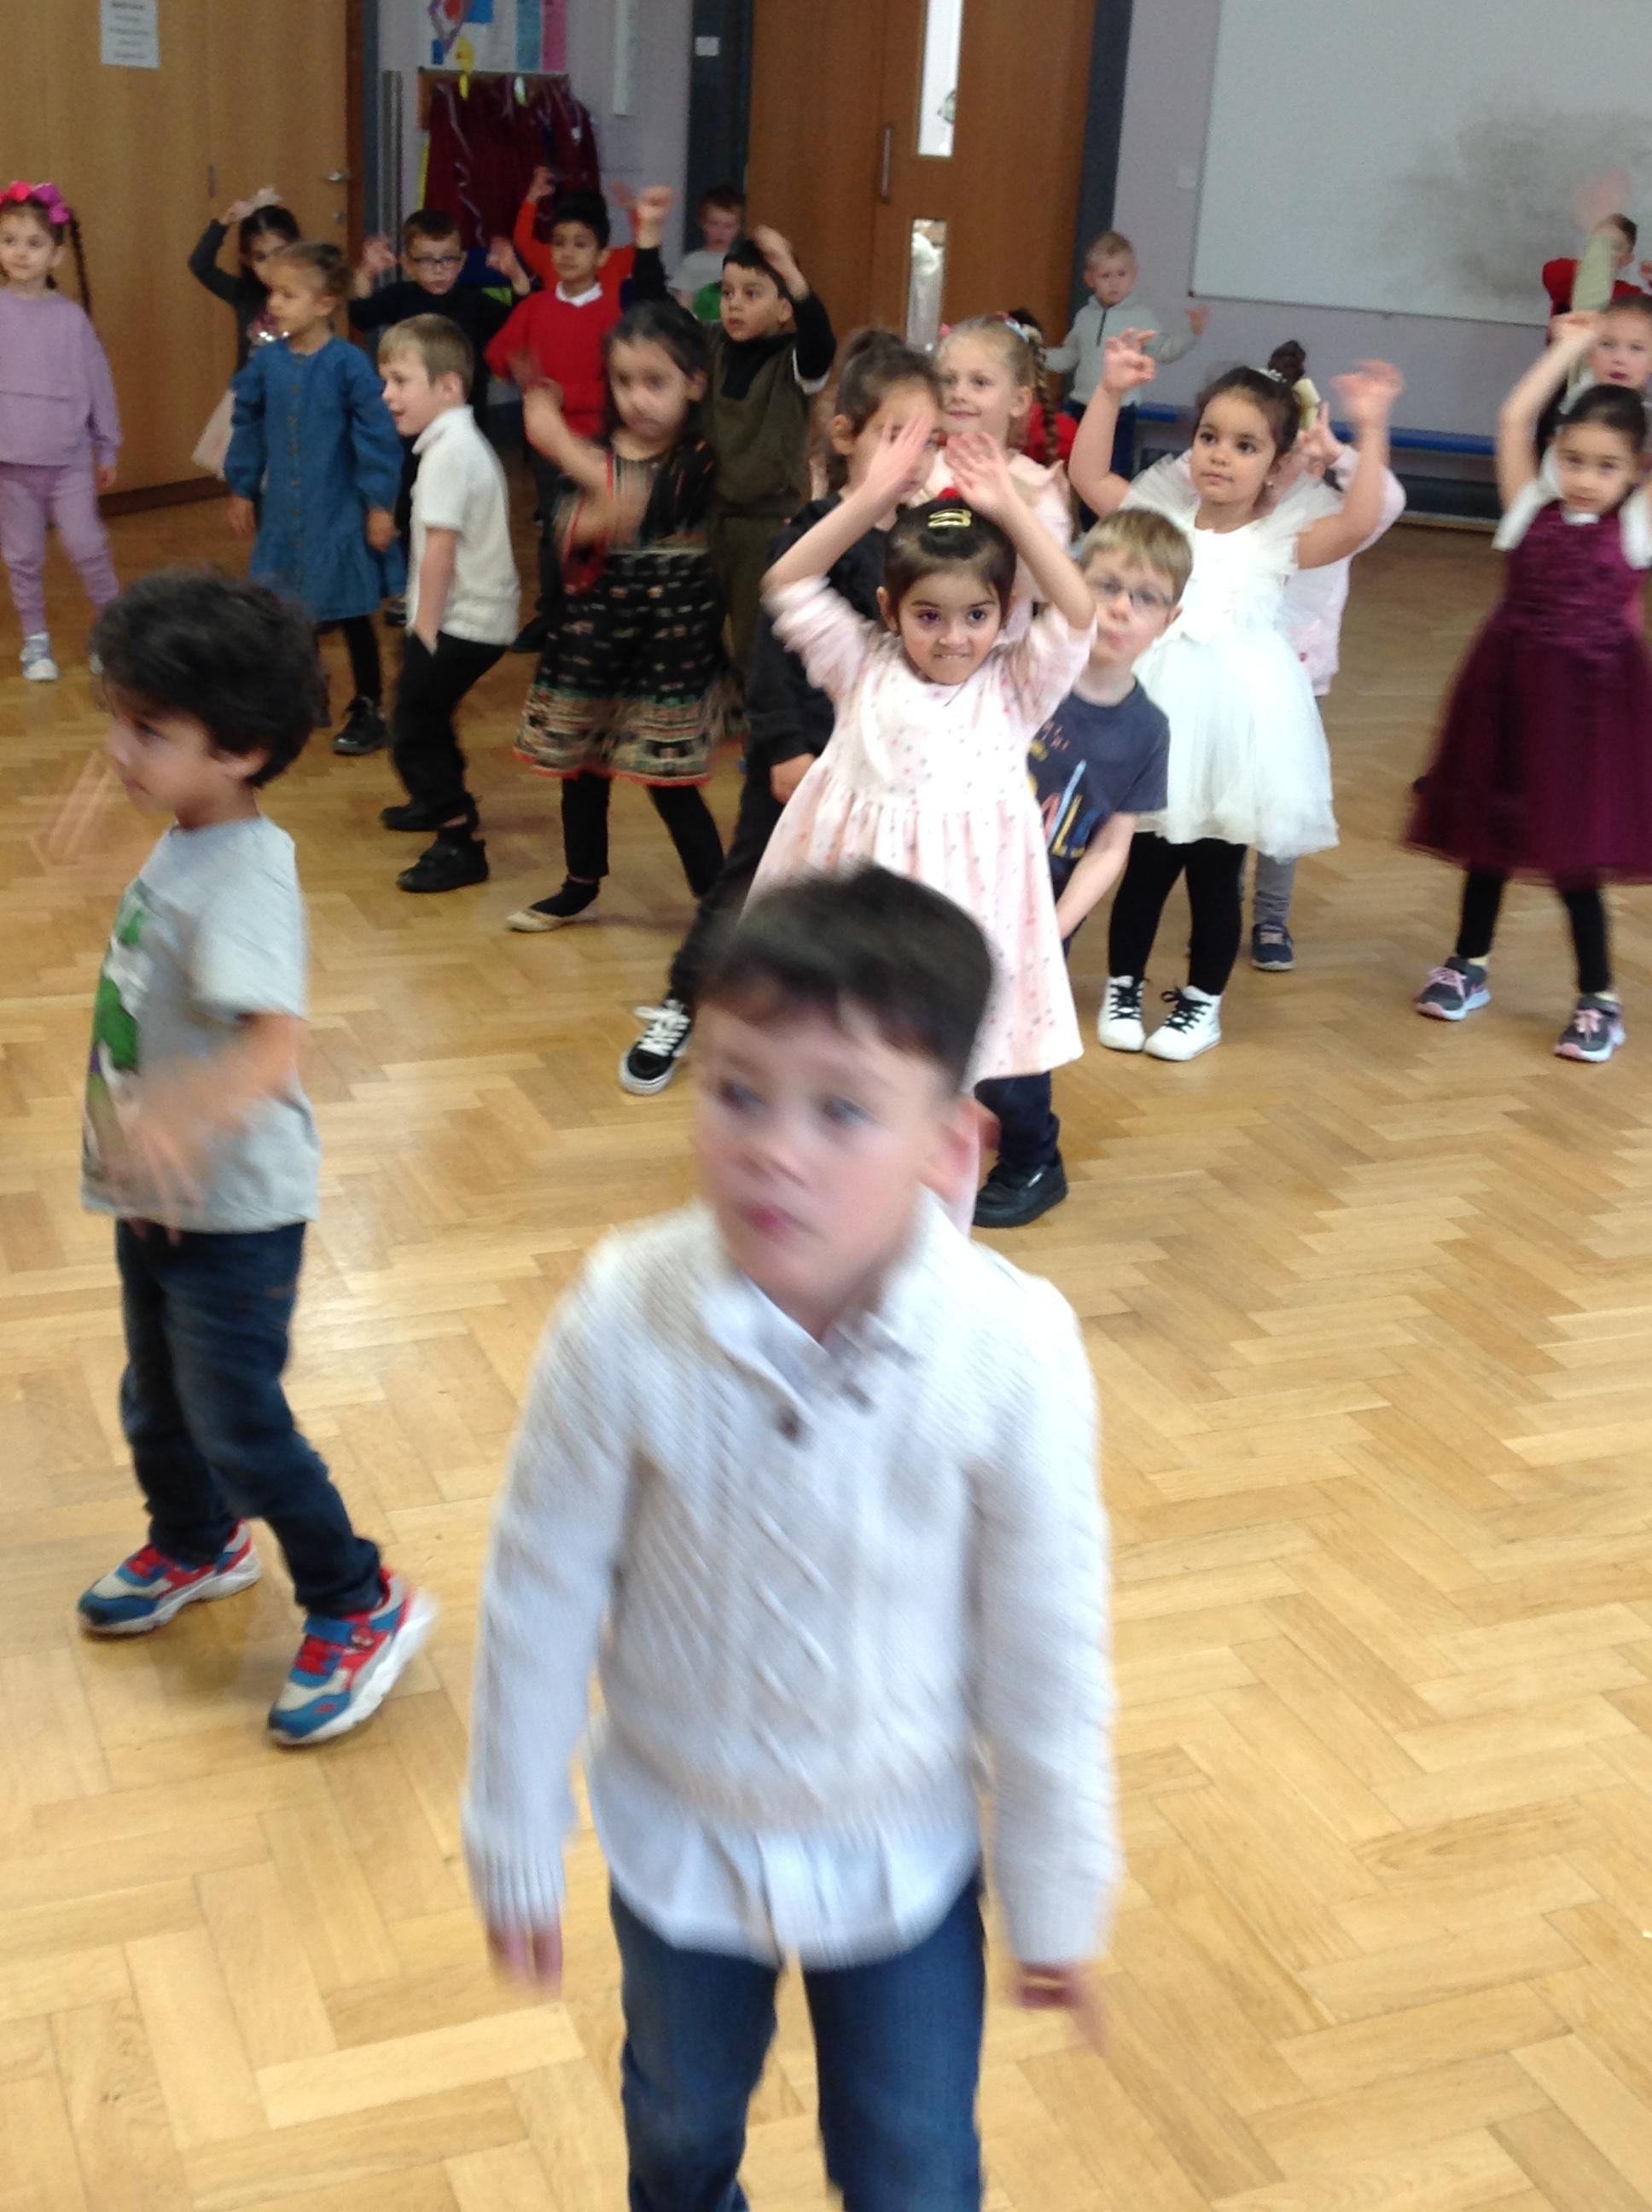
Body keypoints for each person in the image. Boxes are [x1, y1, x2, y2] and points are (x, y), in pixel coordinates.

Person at [464, 866, 1116, 2209]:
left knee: (913, 2165)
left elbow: (1049, 1647)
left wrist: (1056, 1887)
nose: (774, 1147)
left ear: (950, 1148)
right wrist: (514, 1828)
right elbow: (541, 1586)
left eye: (843, 1110)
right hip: (679, 1845)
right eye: (737, 1090)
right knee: (679, 2129)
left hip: (904, 1861)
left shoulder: (1011, 1352)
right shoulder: (621, 1314)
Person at [75, 571, 433, 1745]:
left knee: (238, 1423)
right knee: (156, 1400)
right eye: (118, 719)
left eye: (147, 731)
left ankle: (358, 1598)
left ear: (239, 751)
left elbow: (277, 1049)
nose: (118, 750)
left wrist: (179, 1121)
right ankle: (198, 1542)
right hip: (164, 1196)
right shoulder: (193, 834)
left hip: (232, 1214)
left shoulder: (242, 877)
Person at [619, 330, 943, 1096]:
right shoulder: (807, 537)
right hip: (798, 761)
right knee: (748, 890)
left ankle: (840, 1034)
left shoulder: (928, 542)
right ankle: (682, 1003)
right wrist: (786, 747)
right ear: (847, 436)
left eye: (929, 442)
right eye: (895, 436)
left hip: (882, 771)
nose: (912, 458)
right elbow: (769, 660)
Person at [1070, 333, 1403, 1061]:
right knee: (1142, 866)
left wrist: (1371, 427)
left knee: (1216, 877)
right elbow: (1090, 476)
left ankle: (1202, 1004)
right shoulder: (1160, 520)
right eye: (1209, 437)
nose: (1220, 455)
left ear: (1279, 464)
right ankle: (1124, 985)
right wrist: (1110, 390)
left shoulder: (1281, 536)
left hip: (1237, 728)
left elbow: (1358, 522)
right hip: (1156, 721)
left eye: (1246, 446)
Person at [751, 419, 1096, 1091]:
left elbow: (1079, 611)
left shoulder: (1016, 684)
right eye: (928, 615)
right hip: (863, 917)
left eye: (977, 616)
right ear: (890, 609)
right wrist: (869, 498)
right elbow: (786, 581)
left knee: (947, 1072)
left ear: (1006, 610)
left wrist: (1010, 508)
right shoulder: (859, 663)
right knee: (855, 1055)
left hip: (960, 925)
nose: (953, 639)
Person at [1408, 314, 1652, 1062]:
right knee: (1489, 835)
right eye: (1573, 459)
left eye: (1606, 466)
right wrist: (1571, 349)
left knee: (1574, 853)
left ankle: (1598, 998)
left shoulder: (1637, 524)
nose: (1585, 476)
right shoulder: (1527, 505)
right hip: (1507, 694)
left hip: (1588, 710)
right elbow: (1515, 418)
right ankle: (1468, 963)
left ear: (1636, 471)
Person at [974, 511, 1185, 1231]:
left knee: (1014, 1044)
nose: (1121, 608)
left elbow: (1112, 846)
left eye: (1145, 598)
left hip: (1041, 908)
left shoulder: (1148, 730)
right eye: (1106, 586)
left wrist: (1054, 929)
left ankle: (1034, 1158)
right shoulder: (1021, 672)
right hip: (962, 877)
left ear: (1169, 621)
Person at [507, 281, 729, 931]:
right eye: (624, 382)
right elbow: (575, 531)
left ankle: (719, 907)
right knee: (582, 770)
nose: (637, 398)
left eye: (655, 382)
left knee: (671, 784)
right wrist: (581, 482)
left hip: (667, 652)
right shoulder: (600, 457)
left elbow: (633, 508)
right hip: (592, 647)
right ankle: (580, 884)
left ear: (694, 383)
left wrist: (558, 442)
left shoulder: (698, 459)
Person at [1248, 346, 1407, 973]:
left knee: (1284, 802)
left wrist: (1343, 449)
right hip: (1232, 675)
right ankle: (1221, 903)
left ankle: (1271, 918)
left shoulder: (1336, 509)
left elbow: (1386, 500)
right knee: (1228, 796)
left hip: (1299, 679)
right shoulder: (1241, 501)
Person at [224, 242, 404, 758]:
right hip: (285, 514)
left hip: (339, 514)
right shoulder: (267, 364)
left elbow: (376, 438)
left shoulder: (349, 365)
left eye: (288, 294)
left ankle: (368, 707)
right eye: (273, 293)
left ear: (325, 303)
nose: (274, 303)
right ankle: (308, 696)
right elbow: (247, 425)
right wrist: (241, 486)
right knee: (290, 607)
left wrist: (379, 505)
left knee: (352, 611)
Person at [377, 314, 520, 894]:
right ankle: (437, 801)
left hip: (461, 623)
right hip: (477, 618)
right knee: (428, 716)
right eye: (385, 381)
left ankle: (458, 840)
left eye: (400, 381)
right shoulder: (457, 441)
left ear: (448, 387)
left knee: (411, 726)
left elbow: (440, 547)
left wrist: (424, 632)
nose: (388, 395)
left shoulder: (447, 454)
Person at [487, 187, 652, 656]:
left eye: (580, 244)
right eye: (559, 242)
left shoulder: (613, 313)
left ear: (601, 255)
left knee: (603, 530)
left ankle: (601, 616)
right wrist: (517, 368)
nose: (567, 253)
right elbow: (498, 353)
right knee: (556, 528)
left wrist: (566, 394)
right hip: (548, 444)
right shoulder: (535, 306)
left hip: (599, 440)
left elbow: (621, 385)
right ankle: (554, 614)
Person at [350, 208, 530, 602]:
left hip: (465, 427)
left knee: (459, 502)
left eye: (448, 259)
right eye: (427, 260)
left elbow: (522, 318)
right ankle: (408, 585)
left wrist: (515, 275)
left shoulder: (474, 302)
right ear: (407, 263)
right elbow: (360, 313)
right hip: (409, 431)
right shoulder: (401, 298)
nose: (438, 270)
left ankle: (455, 580)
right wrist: (365, 272)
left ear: (462, 261)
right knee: (411, 500)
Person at [0, 180, 119, 684]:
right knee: (23, 556)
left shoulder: (71, 320)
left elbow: (98, 384)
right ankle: (35, 640)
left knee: (88, 546)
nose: (19, 252)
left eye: (34, 243)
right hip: (11, 464)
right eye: (9, 240)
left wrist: (107, 446)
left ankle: (114, 635)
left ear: (56, 255)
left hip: (68, 462)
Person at [705, 227, 837, 673]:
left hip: (765, 523)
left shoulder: (794, 363)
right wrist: (648, 241)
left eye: (752, 293)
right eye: (727, 293)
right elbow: (662, 331)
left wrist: (794, 278)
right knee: (699, 629)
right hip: (708, 515)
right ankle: (717, 702)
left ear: (784, 309)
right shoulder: (711, 345)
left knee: (754, 637)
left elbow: (820, 341)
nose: (734, 304)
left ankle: (759, 710)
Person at [924, 317, 1073, 614]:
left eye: (979, 382)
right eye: (948, 380)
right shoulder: (920, 469)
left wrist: (1012, 511)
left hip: (1002, 639)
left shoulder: (1036, 484)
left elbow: (1045, 587)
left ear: (1018, 401)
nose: (959, 394)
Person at [1044, 229, 1210, 477]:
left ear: (1133, 276)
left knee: (1113, 470)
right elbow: (1069, 356)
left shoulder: (1142, 316)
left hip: (1120, 411)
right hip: (1081, 407)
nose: (1114, 282)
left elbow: (1164, 351)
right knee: (1072, 466)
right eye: (1105, 275)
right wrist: (1035, 356)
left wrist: (1192, 333)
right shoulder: (1084, 316)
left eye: (1121, 274)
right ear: (1090, 279)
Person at [187, 187, 300, 369]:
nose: (272, 265)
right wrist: (225, 222)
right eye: (261, 258)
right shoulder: (244, 295)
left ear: (297, 249)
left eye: (280, 253)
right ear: (248, 261)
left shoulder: (311, 295)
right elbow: (200, 264)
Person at [1541, 212, 1647, 317]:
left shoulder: (1630, 295)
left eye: (1612, 247)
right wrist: (1589, 266)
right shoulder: (1570, 282)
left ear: (1625, 259)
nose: (1601, 252)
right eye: (1596, 244)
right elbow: (1550, 273)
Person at [671, 180, 744, 319]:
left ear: (738, 228)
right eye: (714, 224)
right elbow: (683, 305)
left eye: (728, 226)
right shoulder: (692, 262)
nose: (720, 232)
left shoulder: (744, 262)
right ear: (702, 223)